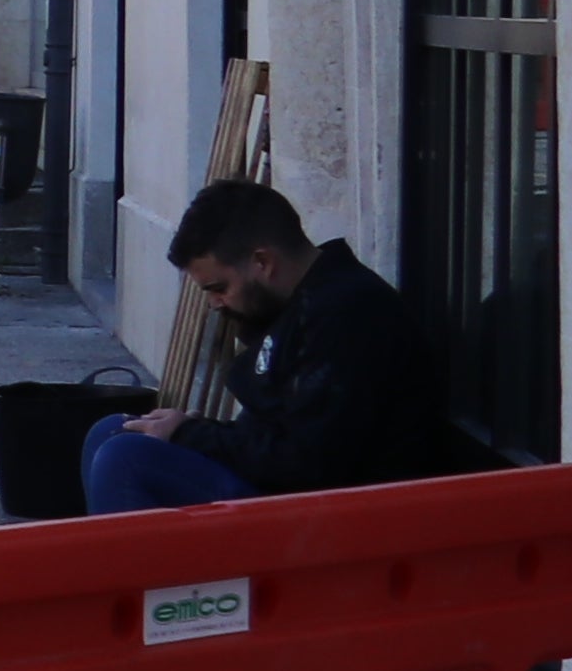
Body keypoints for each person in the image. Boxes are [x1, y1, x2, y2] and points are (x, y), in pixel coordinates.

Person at [82, 180, 452, 512]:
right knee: (115, 430)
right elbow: (281, 433)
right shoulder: (300, 302)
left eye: (218, 288)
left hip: (338, 513)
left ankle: (129, 586)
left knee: (125, 458)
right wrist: (201, 434)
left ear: (262, 262)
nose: (214, 304)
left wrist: (190, 435)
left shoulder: (348, 314)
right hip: (292, 487)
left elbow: (306, 462)